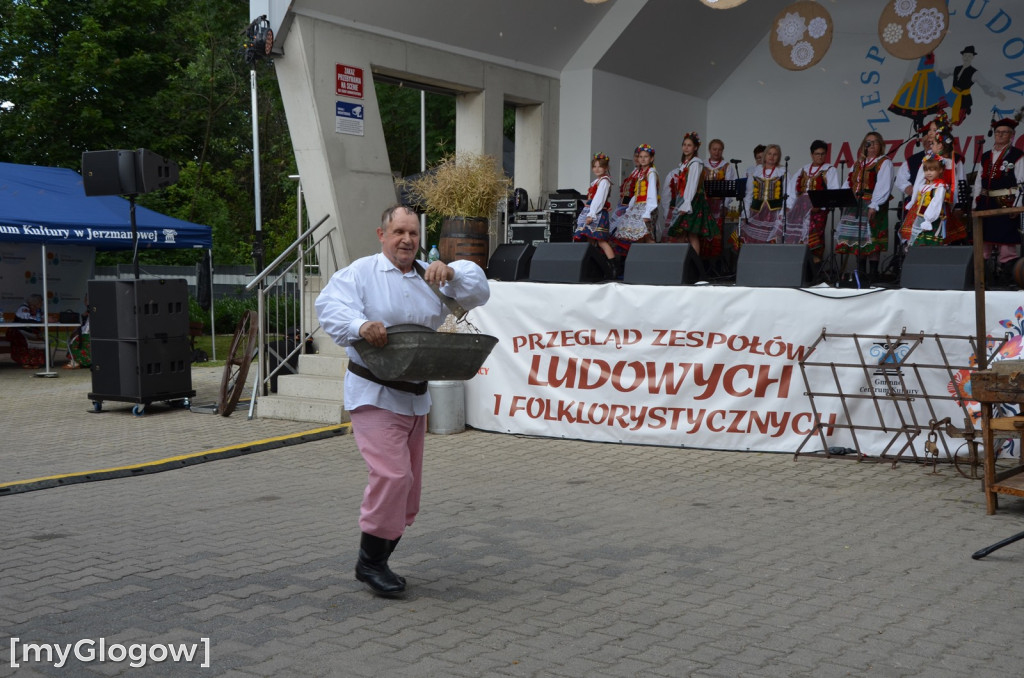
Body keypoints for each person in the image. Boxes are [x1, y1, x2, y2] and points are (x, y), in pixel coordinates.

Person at [315, 204, 491, 597]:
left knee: (409, 493)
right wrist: (360, 325)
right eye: (398, 232)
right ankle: (370, 563)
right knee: (392, 477)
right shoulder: (361, 272)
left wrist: (453, 271)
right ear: (382, 235)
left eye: (412, 233)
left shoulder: (430, 278)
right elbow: (328, 306)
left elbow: (480, 291)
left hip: (415, 397)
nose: (406, 240)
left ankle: (380, 557)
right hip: (374, 392)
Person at [835, 131, 894, 283]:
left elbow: (883, 186)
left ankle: (873, 274)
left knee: (872, 240)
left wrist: (874, 205)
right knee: (857, 239)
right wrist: (842, 199)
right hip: (855, 205)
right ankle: (860, 273)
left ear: (880, 145)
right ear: (864, 146)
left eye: (875, 142)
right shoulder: (857, 164)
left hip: (873, 204)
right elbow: (849, 183)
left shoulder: (884, 162)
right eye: (868, 142)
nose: (872, 145)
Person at [974, 115, 1024, 286]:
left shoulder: (1017, 155)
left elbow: (1021, 182)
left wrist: (1017, 207)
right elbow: (978, 182)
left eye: (1005, 132)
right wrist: (975, 204)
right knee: (983, 244)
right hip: (986, 203)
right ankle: (983, 281)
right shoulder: (986, 155)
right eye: (998, 132)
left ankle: (1007, 281)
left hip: (1006, 203)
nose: (1000, 135)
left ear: (1012, 135)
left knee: (1006, 245)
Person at [663, 132, 717, 256]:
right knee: (681, 232)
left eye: (689, 145)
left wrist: (686, 204)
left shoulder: (695, 163)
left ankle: (693, 264)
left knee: (692, 234)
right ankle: (682, 260)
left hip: (693, 201)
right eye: (684, 145)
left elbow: (692, 185)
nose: (686, 147)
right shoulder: (685, 164)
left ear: (695, 148)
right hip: (684, 200)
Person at [785, 140, 839, 260]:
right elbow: (792, 189)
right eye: (817, 154)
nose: (820, 156)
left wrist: (820, 205)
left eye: (822, 154)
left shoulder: (830, 170)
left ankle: (814, 271)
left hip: (817, 211)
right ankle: (801, 270)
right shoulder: (803, 169)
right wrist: (789, 206)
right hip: (800, 211)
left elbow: (833, 192)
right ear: (811, 154)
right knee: (797, 238)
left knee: (815, 240)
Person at [574, 153, 617, 276]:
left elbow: (599, 199)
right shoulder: (597, 181)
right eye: (595, 166)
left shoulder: (604, 181)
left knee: (601, 241)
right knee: (590, 240)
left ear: (606, 167)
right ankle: (595, 267)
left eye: (600, 166)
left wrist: (591, 215)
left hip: (596, 213)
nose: (596, 169)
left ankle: (613, 268)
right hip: (591, 211)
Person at [611, 143, 658, 248]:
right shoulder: (641, 172)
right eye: (640, 156)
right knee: (639, 237)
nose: (642, 159)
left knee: (648, 237)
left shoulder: (651, 172)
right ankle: (641, 261)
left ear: (651, 159)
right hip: (638, 206)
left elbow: (652, 193)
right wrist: (631, 206)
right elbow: (637, 193)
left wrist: (648, 212)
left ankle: (654, 261)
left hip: (647, 207)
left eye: (645, 157)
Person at [900, 154, 948, 248]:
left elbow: (936, 204)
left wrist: (928, 220)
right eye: (926, 170)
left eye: (932, 170)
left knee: (929, 245)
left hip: (932, 221)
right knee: (918, 243)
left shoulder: (940, 187)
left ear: (940, 170)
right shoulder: (924, 186)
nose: (928, 173)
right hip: (921, 219)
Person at [742, 144, 786, 244]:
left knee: (770, 241)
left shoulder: (782, 172)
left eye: (775, 154)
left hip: (774, 213)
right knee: (753, 240)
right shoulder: (755, 171)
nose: (772, 156)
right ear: (765, 155)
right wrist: (745, 214)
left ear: (778, 157)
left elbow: (787, 195)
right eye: (769, 153)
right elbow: (749, 194)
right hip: (756, 212)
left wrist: (782, 215)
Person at [8, 294, 46, 368]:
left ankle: (35, 362)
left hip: (31, 331)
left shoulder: (37, 310)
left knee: (39, 338)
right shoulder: (23, 308)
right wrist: (42, 320)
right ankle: (26, 362)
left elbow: (42, 317)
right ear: (35, 303)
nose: (42, 304)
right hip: (19, 330)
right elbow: (27, 319)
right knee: (23, 340)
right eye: (41, 302)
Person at [66, 297, 91, 369]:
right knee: (74, 335)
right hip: (85, 331)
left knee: (76, 339)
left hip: (89, 333)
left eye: (86, 299)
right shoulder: (88, 310)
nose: (85, 301)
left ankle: (77, 362)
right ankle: (75, 361)